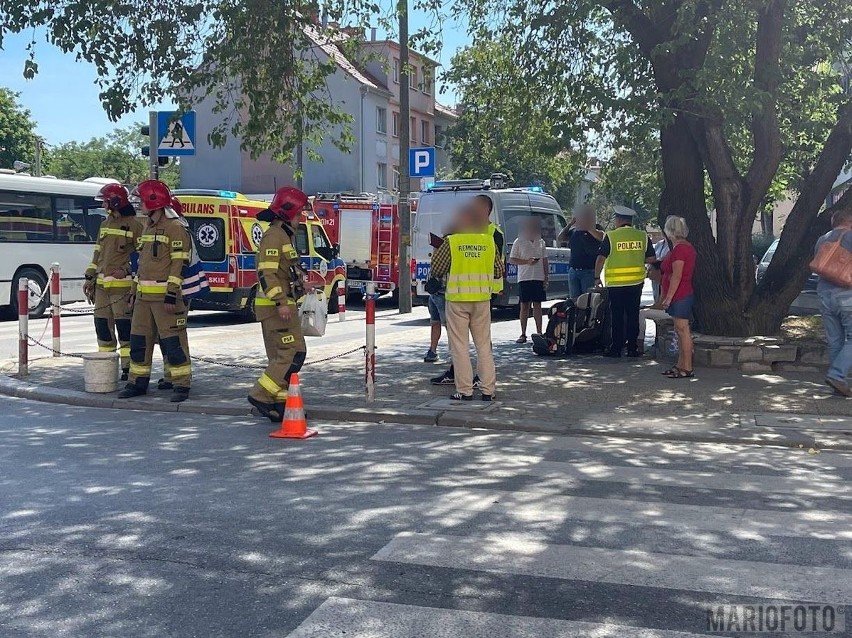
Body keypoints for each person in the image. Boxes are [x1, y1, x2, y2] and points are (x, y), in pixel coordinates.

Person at [119, 180, 193, 402]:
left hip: (165, 298)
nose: (139, 203)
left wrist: (172, 292)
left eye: (142, 200)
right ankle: (137, 382)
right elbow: (142, 264)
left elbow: (180, 263)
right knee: (139, 341)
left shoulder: (176, 227)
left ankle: (181, 385)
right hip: (143, 298)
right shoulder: (149, 226)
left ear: (154, 202)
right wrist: (133, 291)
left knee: (173, 342)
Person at [246, 186, 310, 421]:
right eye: (299, 213)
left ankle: (281, 403)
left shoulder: (282, 235)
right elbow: (267, 273)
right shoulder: (275, 235)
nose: (300, 218)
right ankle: (261, 394)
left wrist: (303, 286)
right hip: (277, 308)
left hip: (279, 305)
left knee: (280, 356)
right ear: (288, 211)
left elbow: (284, 271)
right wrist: (281, 301)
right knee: (294, 353)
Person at [430, 203, 504, 401]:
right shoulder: (489, 242)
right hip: (481, 299)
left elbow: (436, 269)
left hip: (458, 299)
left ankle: (465, 390)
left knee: (460, 347)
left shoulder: (452, 242)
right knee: (483, 346)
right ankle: (488, 390)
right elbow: (498, 271)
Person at [83, 183, 144, 381]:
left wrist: (126, 270)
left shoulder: (135, 225)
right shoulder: (105, 224)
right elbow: (98, 254)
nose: (103, 204)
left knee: (125, 329)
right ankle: (106, 367)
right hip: (101, 288)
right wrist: (89, 277)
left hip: (122, 289)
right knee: (102, 327)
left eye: (106, 200)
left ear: (116, 201)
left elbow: (141, 257)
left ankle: (128, 369)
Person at [594, 207, 656, 358]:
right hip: (635, 283)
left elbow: (601, 258)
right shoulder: (642, 236)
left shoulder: (611, 236)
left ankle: (616, 348)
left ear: (619, 220)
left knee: (617, 316)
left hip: (615, 284)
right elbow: (651, 259)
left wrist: (596, 277)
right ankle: (632, 348)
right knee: (633, 315)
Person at [815, 208, 852, 397]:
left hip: (824, 294)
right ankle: (837, 375)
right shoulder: (850, 236)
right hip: (847, 294)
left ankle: (838, 383)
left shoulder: (823, 239)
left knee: (835, 340)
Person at [657, 216, 697, 378]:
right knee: (679, 331)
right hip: (680, 294)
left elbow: (677, 275)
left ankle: (687, 367)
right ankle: (680, 364)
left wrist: (668, 297)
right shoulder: (683, 247)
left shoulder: (680, 249)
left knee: (682, 330)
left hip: (681, 294)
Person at [509, 216, 548, 342]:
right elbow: (512, 259)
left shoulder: (541, 241)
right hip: (524, 278)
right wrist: (527, 261)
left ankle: (539, 332)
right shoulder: (519, 241)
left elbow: (545, 260)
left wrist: (546, 277)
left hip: (538, 277)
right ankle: (523, 333)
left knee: (537, 305)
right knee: (524, 306)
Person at [558, 205, 604, 299]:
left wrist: (587, 227)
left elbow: (601, 237)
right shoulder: (574, 231)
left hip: (588, 271)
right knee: (574, 300)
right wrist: (570, 224)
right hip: (573, 271)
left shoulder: (596, 228)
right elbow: (560, 238)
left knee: (586, 300)